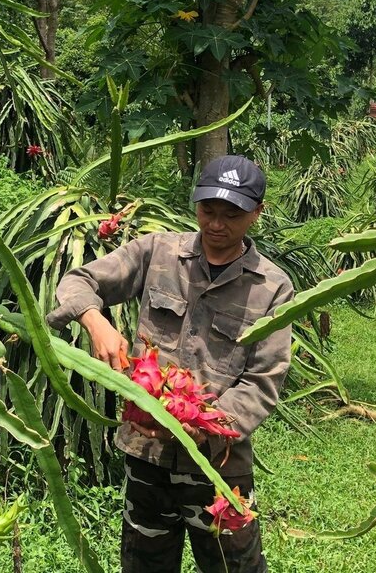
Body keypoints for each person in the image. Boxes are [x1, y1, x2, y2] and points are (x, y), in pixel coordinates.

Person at [46, 155, 294, 573]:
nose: (216, 224)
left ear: (257, 213)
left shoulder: (272, 287)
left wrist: (193, 422)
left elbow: (263, 382)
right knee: (145, 564)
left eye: (231, 215)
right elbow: (78, 280)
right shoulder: (157, 252)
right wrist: (95, 320)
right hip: (147, 456)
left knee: (235, 568)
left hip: (218, 464)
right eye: (208, 210)